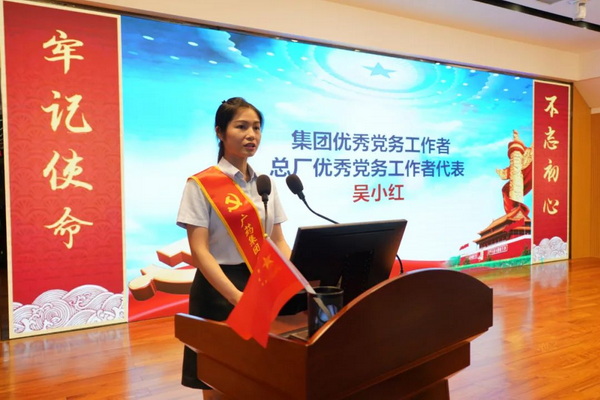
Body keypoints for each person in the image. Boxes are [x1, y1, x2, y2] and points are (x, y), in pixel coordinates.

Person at [176, 97, 291, 399]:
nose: (251, 135)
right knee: (217, 379)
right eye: (241, 127)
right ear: (220, 132)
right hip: (218, 289)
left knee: (258, 375)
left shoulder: (265, 184)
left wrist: (297, 280)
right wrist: (235, 296)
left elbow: (278, 241)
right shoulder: (200, 185)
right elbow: (200, 251)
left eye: (256, 127)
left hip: (259, 283)